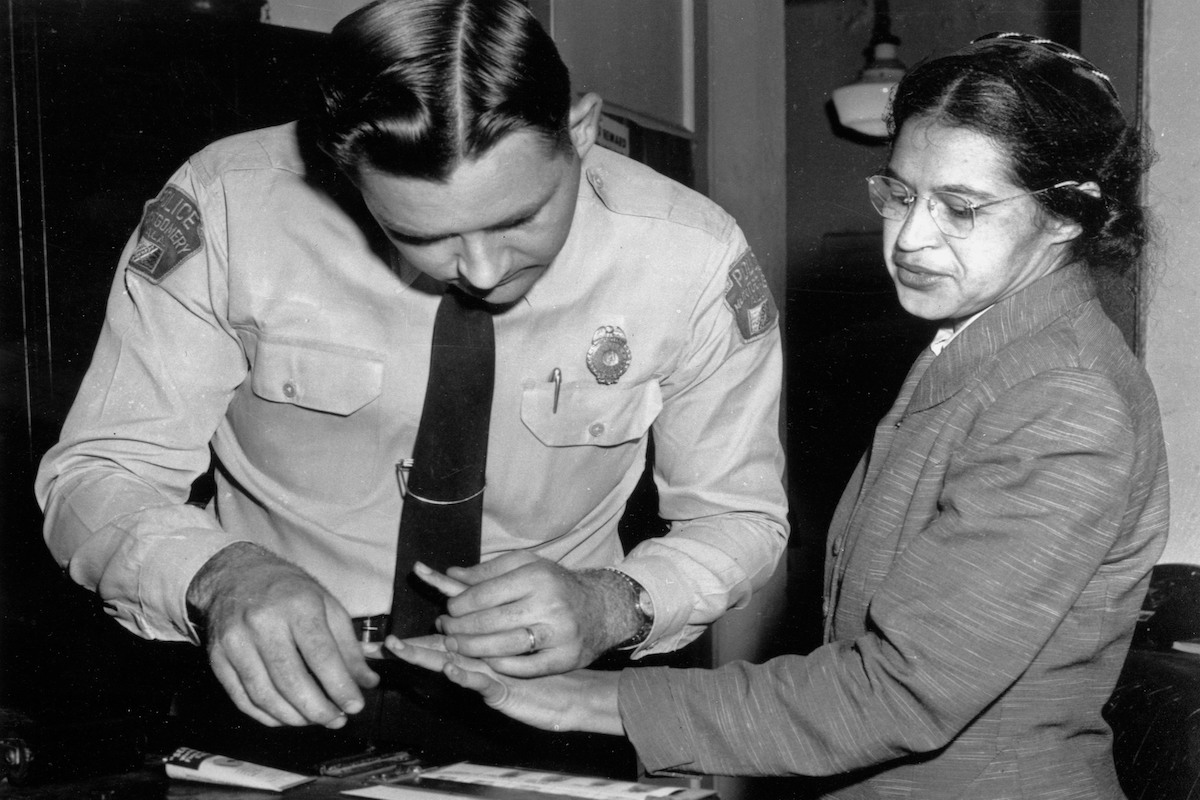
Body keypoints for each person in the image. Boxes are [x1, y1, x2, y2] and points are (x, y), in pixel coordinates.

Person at [392, 32, 1169, 798]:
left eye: (961, 207)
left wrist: (583, 699)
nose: (910, 236)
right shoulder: (986, 350)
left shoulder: (1062, 399)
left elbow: (899, 692)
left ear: (1068, 215)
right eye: (900, 194)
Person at [34, 0, 787, 770]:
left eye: (522, 217)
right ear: (342, 173)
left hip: (551, 706)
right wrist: (221, 577)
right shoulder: (229, 206)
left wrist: (613, 603)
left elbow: (741, 518)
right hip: (266, 695)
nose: (485, 271)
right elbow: (96, 476)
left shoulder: (690, 257)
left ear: (583, 130)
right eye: (422, 235)